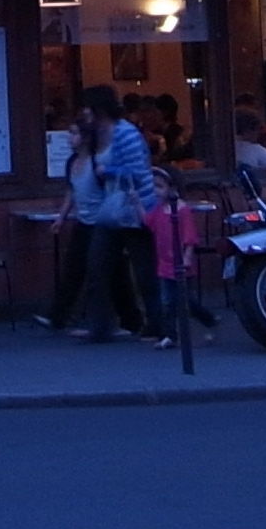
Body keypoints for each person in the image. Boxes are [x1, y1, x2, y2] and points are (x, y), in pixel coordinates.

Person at [58, 84, 160, 342]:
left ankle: (157, 324)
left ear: (98, 109)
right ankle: (100, 326)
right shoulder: (97, 135)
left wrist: (109, 172)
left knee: (144, 270)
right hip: (112, 209)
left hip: (135, 209)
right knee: (97, 264)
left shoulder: (125, 134)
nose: (84, 112)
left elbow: (139, 173)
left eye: (87, 108)